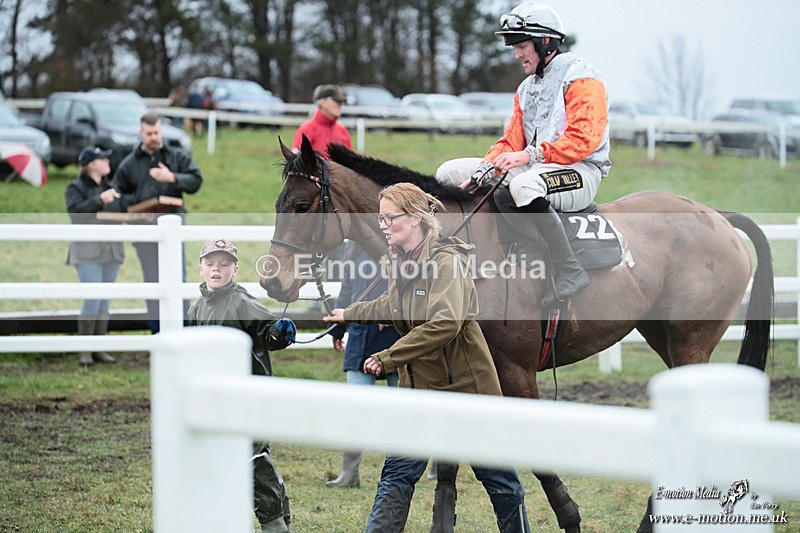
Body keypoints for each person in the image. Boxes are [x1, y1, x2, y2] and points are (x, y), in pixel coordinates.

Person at [323, 183, 530, 533]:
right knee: (397, 473)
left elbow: (444, 323)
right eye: (381, 218)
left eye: (390, 218)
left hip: (468, 390)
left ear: (416, 218)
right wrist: (350, 313)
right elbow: (393, 305)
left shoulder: (447, 263)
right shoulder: (396, 260)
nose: (383, 225)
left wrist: (389, 356)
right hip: (418, 388)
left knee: (500, 482)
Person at [435, 2, 611, 306]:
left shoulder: (582, 78)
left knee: (522, 186)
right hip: (537, 167)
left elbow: (584, 141)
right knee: (448, 172)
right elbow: (510, 142)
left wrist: (528, 157)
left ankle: (569, 269)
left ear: (545, 42)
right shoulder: (526, 88)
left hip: (581, 170)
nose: (516, 54)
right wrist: (483, 171)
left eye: (521, 46)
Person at [187, 239, 297, 533]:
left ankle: (275, 525)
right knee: (228, 460)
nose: (216, 269)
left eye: (223, 265)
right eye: (210, 264)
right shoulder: (197, 308)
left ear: (234, 269)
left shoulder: (242, 302)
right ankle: (275, 515)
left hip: (250, 397)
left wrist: (280, 333)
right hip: (216, 399)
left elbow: (268, 333)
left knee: (252, 459)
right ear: (201, 269)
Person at [111, 112, 203, 334]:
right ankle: (158, 332)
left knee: (177, 278)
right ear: (141, 133)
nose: (154, 137)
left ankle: (183, 330)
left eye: (157, 132)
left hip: (174, 228)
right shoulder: (129, 164)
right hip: (144, 231)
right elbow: (115, 195)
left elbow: (196, 181)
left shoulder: (176, 157)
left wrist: (173, 178)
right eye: (149, 133)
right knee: (153, 282)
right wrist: (135, 205)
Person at [325, 241, 401, 489]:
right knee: (355, 408)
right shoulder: (353, 246)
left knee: (401, 407)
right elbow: (348, 287)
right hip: (360, 334)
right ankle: (349, 474)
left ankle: (397, 474)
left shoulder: (400, 242)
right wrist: (338, 326)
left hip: (395, 336)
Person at [65, 146, 125, 366]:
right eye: (102, 158)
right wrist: (100, 200)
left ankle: (99, 348)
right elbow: (76, 214)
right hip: (87, 250)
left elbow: (121, 213)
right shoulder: (75, 187)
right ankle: (85, 350)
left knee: (104, 300)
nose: (107, 161)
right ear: (91, 164)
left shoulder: (112, 187)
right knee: (92, 298)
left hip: (111, 249)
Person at [292, 84, 352, 157]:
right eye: (336, 101)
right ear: (322, 101)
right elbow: (297, 162)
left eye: (341, 102)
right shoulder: (307, 129)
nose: (340, 105)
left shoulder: (343, 131)